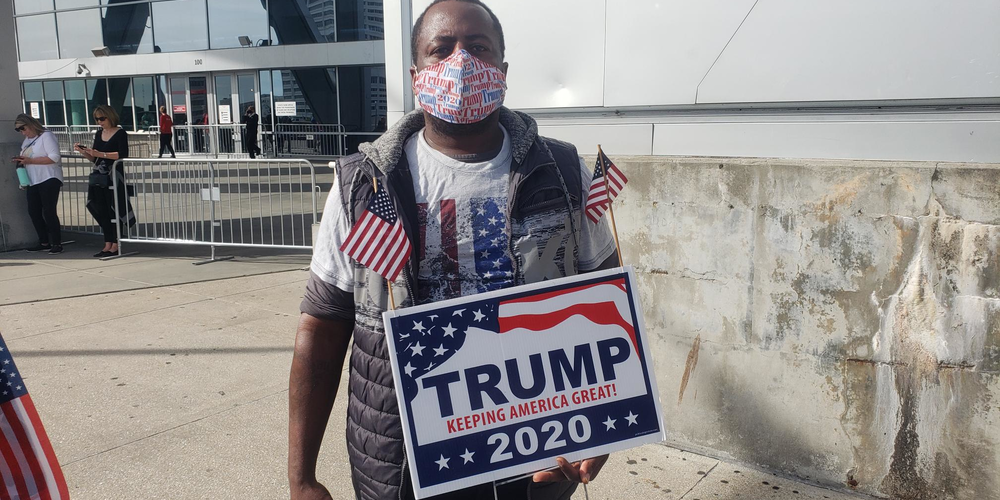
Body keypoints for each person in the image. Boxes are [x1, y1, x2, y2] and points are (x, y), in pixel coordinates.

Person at [289, 1, 615, 499]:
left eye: (478, 48)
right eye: (441, 50)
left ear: (502, 71)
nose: (460, 63)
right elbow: (322, 327)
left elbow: (607, 304)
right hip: (403, 462)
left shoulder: (563, 173)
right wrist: (302, 476)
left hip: (537, 455)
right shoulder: (362, 183)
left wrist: (605, 424)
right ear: (417, 75)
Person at [76, 105, 135, 258]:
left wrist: (100, 153)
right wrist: (85, 152)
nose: (99, 122)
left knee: (114, 208)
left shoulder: (120, 133)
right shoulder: (99, 133)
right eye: (97, 119)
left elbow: (122, 154)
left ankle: (115, 243)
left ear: (110, 116)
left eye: (102, 118)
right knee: (101, 209)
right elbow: (95, 158)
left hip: (114, 175)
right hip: (99, 175)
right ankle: (107, 242)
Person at [11, 114, 63, 255]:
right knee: (33, 211)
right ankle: (44, 241)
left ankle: (56, 243)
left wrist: (30, 161)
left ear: (30, 124)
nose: (22, 132)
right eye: (19, 130)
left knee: (49, 211)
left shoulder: (46, 136)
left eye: (23, 128)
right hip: (33, 179)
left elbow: (54, 157)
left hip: (49, 178)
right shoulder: (27, 140)